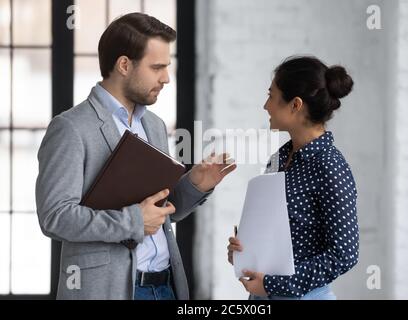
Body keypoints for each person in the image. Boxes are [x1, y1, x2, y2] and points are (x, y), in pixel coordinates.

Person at [36, 13, 236, 300]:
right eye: (157, 67)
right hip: (111, 291)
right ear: (124, 65)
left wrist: (196, 184)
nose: (166, 78)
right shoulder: (70, 128)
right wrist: (133, 222)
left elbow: (160, 213)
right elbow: (54, 217)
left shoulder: (152, 124)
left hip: (166, 286)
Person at [227, 56, 359, 300]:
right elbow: (276, 231)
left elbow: (344, 253)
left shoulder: (330, 166)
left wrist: (276, 285)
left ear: (295, 104)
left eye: (271, 95)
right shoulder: (281, 156)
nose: (266, 105)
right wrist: (244, 251)